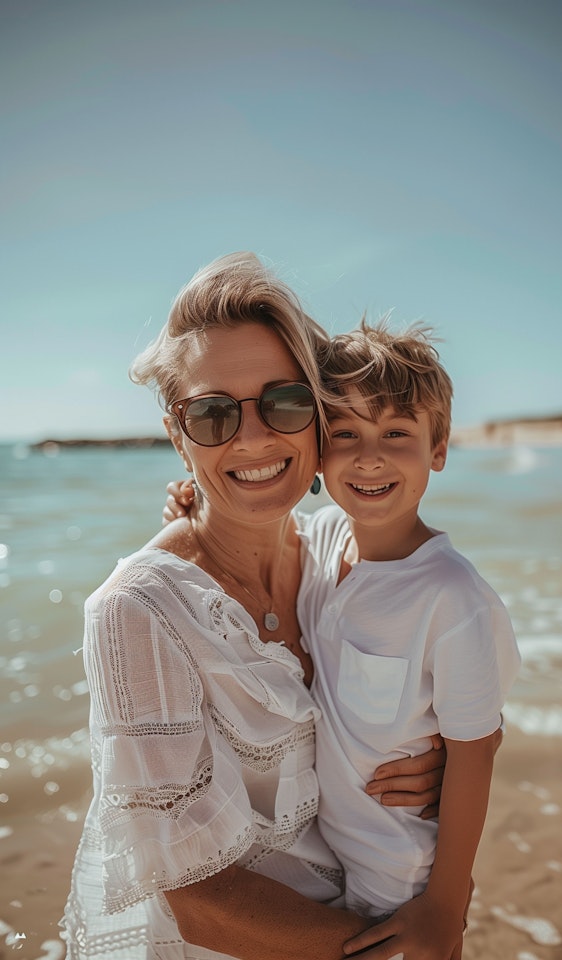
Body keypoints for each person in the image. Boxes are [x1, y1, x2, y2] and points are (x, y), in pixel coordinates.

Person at [61, 253, 452, 960]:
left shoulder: (341, 552)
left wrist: (448, 754)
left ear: (318, 414)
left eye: (285, 401)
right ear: (179, 436)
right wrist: (403, 948)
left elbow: (455, 652)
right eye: (211, 414)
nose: (253, 437)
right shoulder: (137, 614)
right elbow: (199, 903)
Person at [165, 318, 519, 959]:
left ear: (438, 450)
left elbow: (477, 749)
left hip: (401, 869)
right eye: (346, 433)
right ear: (319, 450)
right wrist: (189, 509)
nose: (369, 456)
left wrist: (443, 907)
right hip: (326, 859)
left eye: (397, 434)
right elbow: (249, 528)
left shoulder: (452, 598)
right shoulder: (324, 538)